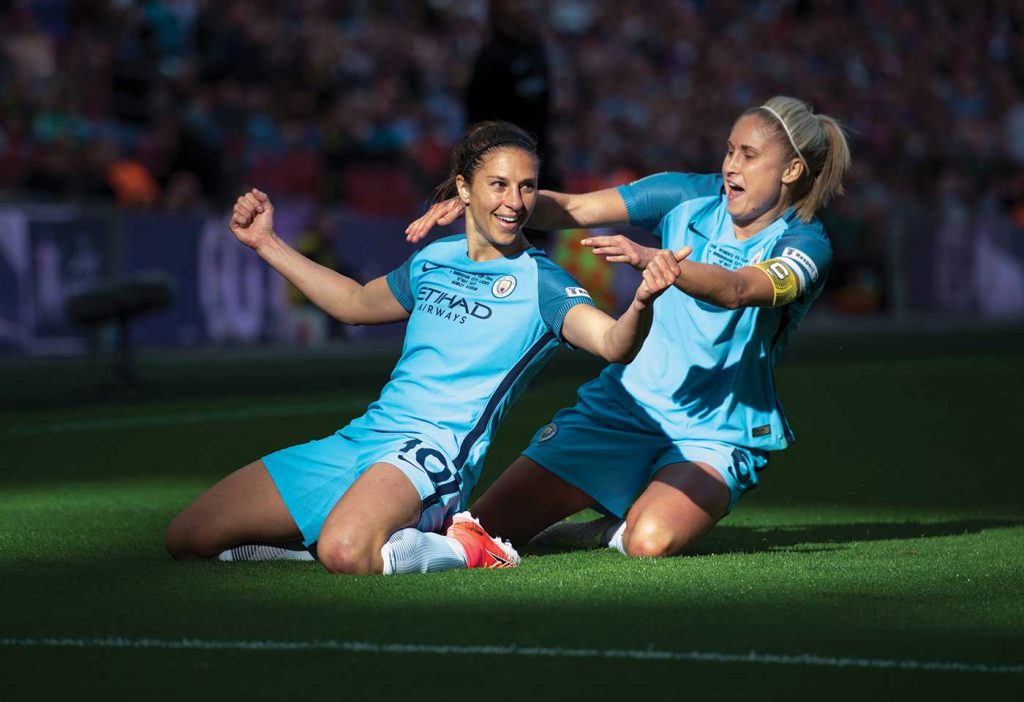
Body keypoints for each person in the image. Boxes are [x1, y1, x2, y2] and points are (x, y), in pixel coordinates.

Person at [164, 120, 685, 575]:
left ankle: (471, 549)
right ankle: (317, 547)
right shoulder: (435, 257)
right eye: (498, 185)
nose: (515, 202)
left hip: (429, 456)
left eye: (526, 187)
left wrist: (643, 300)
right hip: (363, 438)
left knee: (347, 552)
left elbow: (614, 344)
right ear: (463, 187)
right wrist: (266, 243)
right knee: (188, 537)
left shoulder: (542, 282)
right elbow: (352, 302)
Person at [403, 96, 852, 563]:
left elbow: (740, 289)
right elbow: (571, 208)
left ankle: (608, 529)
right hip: (623, 408)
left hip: (714, 432)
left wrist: (657, 262)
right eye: (729, 150)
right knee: (485, 528)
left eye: (749, 155)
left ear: (792, 171)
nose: (731, 166)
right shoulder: (686, 195)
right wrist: (484, 199)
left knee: (649, 541)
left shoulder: (804, 244)